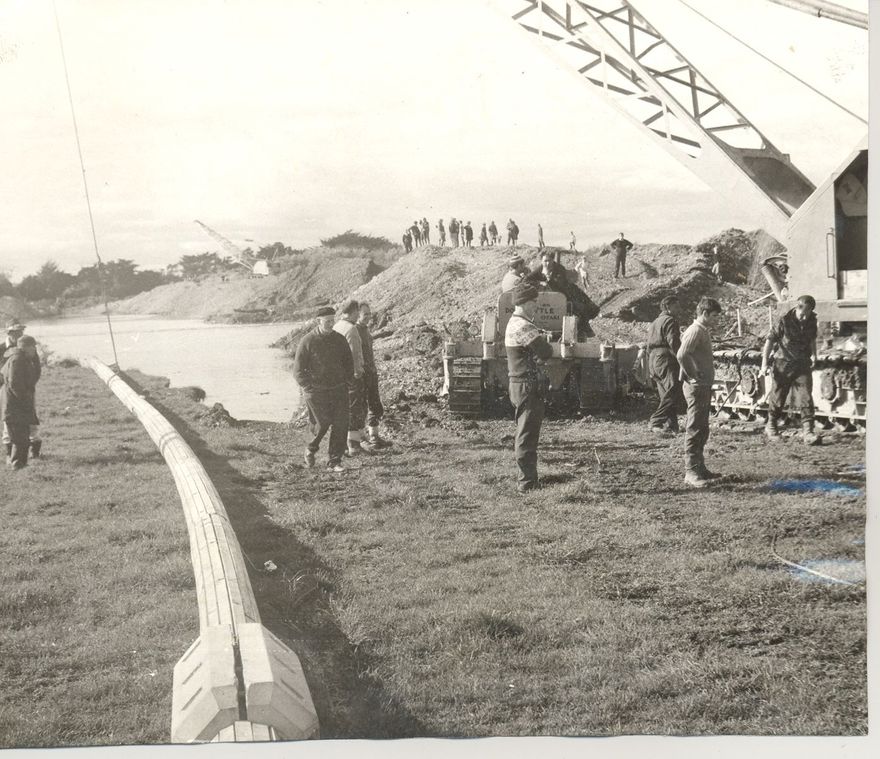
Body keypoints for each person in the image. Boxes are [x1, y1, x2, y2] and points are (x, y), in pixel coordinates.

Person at [504, 283, 554, 493]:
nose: (536, 305)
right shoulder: (523, 325)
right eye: (533, 301)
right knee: (527, 434)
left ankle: (529, 478)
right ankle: (527, 482)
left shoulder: (515, 323)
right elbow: (546, 351)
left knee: (527, 431)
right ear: (524, 302)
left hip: (520, 383)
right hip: (527, 384)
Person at [293, 306, 354, 472]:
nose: (330, 324)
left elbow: (349, 363)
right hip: (316, 391)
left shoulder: (339, 339)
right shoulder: (308, 341)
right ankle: (311, 448)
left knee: (341, 423)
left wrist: (347, 382)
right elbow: (298, 370)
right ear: (318, 321)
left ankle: (335, 461)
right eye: (327, 321)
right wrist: (308, 387)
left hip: (339, 389)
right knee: (322, 423)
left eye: (332, 320)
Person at [761, 294, 821, 445]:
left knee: (806, 397)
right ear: (797, 308)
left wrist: (814, 355)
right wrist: (764, 364)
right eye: (802, 314)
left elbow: (812, 339)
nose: (804, 318)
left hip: (802, 363)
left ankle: (808, 432)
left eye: (808, 314)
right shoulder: (784, 321)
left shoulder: (812, 320)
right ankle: (771, 427)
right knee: (778, 396)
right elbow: (769, 341)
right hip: (783, 363)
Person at [676, 297, 723, 488]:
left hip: (702, 386)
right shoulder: (695, 330)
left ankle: (700, 468)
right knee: (695, 427)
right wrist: (693, 375)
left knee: (702, 428)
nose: (716, 320)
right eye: (714, 316)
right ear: (704, 314)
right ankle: (691, 472)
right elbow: (682, 354)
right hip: (696, 387)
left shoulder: (701, 330)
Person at [526, 250, 600, 337]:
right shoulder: (539, 270)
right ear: (541, 261)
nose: (547, 263)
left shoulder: (559, 268)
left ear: (553, 260)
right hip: (546, 297)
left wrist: (550, 280)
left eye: (549, 260)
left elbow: (562, 284)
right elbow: (526, 280)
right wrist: (539, 283)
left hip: (561, 294)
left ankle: (581, 329)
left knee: (578, 307)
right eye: (545, 261)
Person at [332, 300, 367, 456]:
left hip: (338, 375)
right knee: (354, 407)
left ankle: (344, 444)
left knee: (342, 409)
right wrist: (358, 372)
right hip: (352, 376)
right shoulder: (351, 329)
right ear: (353, 312)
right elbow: (355, 354)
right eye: (357, 312)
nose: (358, 315)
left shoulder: (337, 326)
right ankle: (354, 445)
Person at [1, 335, 41, 469]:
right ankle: (17, 464)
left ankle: (21, 464)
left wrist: (35, 359)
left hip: (17, 404)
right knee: (19, 439)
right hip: (15, 406)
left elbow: (34, 377)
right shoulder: (17, 360)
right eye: (33, 347)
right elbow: (15, 384)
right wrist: (24, 401)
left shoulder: (22, 359)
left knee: (23, 437)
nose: (35, 350)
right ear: (26, 347)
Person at [356, 303, 391, 450]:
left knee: (375, 404)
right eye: (365, 314)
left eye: (369, 314)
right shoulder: (355, 331)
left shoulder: (365, 329)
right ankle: (361, 439)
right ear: (357, 315)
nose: (368, 317)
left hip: (371, 372)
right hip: (362, 374)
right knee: (362, 407)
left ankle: (374, 436)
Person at [647, 295, 684, 434]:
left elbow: (648, 346)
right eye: (676, 306)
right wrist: (682, 359)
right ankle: (656, 420)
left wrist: (650, 365)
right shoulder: (670, 321)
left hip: (653, 359)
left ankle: (671, 426)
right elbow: (673, 342)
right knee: (674, 390)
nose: (679, 309)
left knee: (665, 394)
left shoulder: (654, 322)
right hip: (665, 358)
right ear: (668, 307)